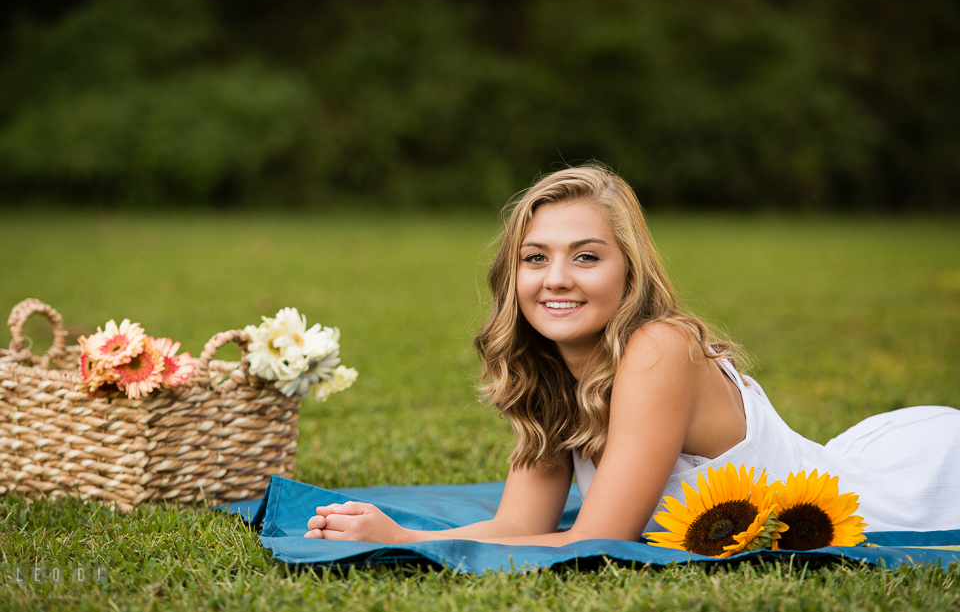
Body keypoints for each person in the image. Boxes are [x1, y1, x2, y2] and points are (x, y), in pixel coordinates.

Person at [304, 165, 960, 547]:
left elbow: (593, 542)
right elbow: (517, 524)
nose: (556, 277)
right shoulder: (552, 372)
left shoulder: (657, 349)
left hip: (919, 494)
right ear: (514, 276)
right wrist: (397, 532)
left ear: (629, 272)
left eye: (586, 255)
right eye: (536, 258)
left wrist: (407, 542)